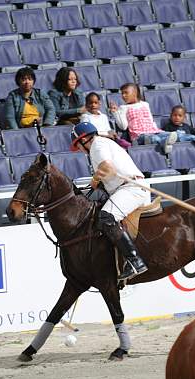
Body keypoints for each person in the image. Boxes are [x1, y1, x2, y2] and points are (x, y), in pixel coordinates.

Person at [71, 121, 149, 280]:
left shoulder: (96, 146)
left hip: (130, 188)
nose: (79, 150)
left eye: (78, 145)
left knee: (107, 217)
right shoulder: (102, 144)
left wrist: (94, 180)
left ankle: (135, 261)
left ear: (84, 140)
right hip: (126, 187)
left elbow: (108, 168)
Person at [109, 83, 178, 154]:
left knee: (172, 134)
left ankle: (188, 138)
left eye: (126, 93)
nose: (123, 96)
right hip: (138, 136)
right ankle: (164, 142)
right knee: (154, 138)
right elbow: (123, 126)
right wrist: (116, 113)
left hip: (153, 132)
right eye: (122, 93)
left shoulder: (145, 104)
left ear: (135, 93)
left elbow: (151, 120)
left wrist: (157, 131)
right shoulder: (123, 108)